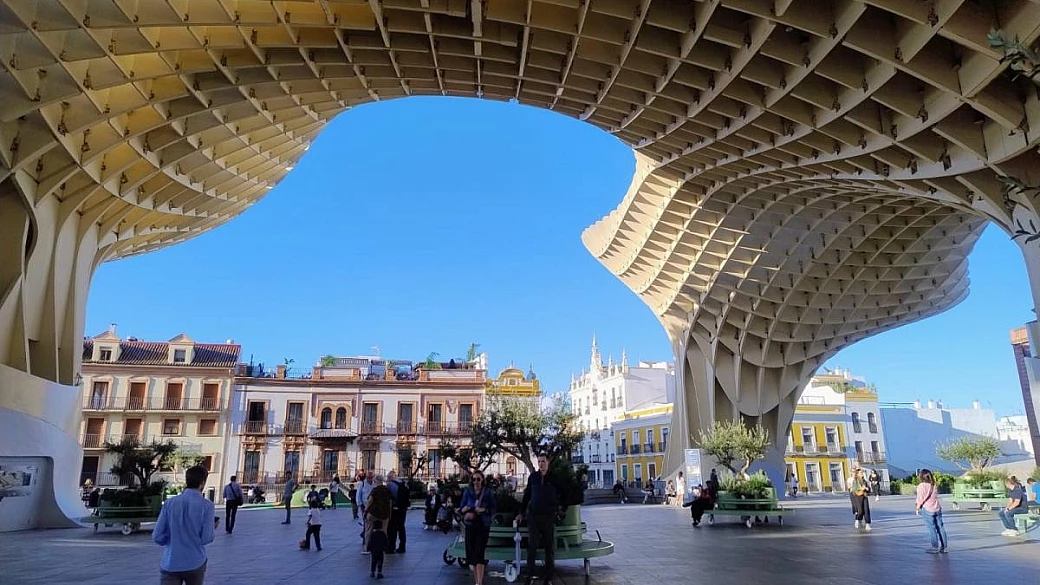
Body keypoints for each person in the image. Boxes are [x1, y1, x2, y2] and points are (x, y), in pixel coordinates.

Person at [153, 465, 215, 585]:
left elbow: (157, 536)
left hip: (171, 561)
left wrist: (171, 541)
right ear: (202, 483)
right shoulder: (207, 506)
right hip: (194, 561)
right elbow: (206, 538)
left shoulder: (169, 504)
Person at [517, 454, 564, 585]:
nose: (541, 464)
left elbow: (564, 494)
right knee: (532, 546)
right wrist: (521, 512)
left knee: (549, 547)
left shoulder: (554, 478)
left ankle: (548, 577)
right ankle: (530, 576)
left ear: (548, 463)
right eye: (539, 462)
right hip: (534, 517)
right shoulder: (533, 477)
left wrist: (561, 510)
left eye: (543, 461)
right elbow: (527, 495)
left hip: (549, 517)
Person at [460, 471, 496, 585]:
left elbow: (493, 509)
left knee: (479, 553)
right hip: (470, 525)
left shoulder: (488, 493)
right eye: (474, 479)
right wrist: (465, 510)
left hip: (483, 525)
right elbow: (461, 508)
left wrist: (483, 510)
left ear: (482, 480)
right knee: (472, 555)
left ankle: (479, 583)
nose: (476, 482)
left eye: (478, 479)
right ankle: (477, 582)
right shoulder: (468, 492)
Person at [914, 468, 948, 553]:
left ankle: (935, 546)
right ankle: (944, 546)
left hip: (927, 509)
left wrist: (917, 507)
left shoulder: (921, 486)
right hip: (937, 507)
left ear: (921, 476)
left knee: (931, 528)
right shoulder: (933, 484)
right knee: (941, 527)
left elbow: (920, 498)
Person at [365, 476, 392, 554]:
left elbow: (370, 501)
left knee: (369, 529)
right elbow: (390, 503)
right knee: (384, 530)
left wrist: (366, 510)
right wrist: (389, 514)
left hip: (374, 512)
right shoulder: (387, 490)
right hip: (385, 513)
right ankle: (384, 547)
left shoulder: (375, 490)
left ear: (376, 481)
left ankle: (368, 547)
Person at [386, 470, 409, 554]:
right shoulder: (403, 483)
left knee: (393, 528)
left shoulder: (389, 485)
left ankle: (391, 547)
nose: (387, 479)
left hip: (395, 509)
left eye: (388, 477)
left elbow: (388, 497)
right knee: (401, 527)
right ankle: (402, 546)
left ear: (391, 477)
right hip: (403, 509)